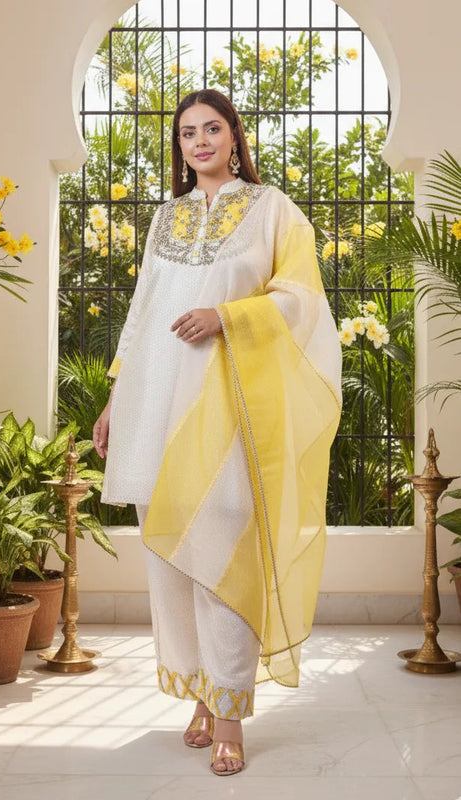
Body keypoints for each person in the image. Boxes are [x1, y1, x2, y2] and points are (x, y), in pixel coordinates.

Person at [93, 88, 342, 777]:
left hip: (226, 403)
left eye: (211, 129)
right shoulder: (166, 216)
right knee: (169, 559)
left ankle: (229, 709)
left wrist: (227, 316)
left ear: (234, 136)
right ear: (178, 147)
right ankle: (198, 694)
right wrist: (117, 397)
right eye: (186, 133)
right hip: (153, 400)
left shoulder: (272, 211)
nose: (198, 141)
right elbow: (143, 309)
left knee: (222, 541)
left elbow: (300, 299)